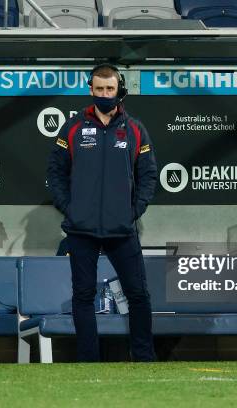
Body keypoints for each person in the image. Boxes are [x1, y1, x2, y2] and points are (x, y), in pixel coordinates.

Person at [47, 64, 158, 362]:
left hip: (122, 229)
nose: (105, 94)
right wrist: (70, 208)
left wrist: (133, 211)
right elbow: (55, 173)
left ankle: (145, 360)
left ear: (118, 89)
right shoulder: (72, 127)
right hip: (81, 230)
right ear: (91, 90)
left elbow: (149, 176)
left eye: (110, 89)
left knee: (138, 296)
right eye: (99, 89)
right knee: (83, 297)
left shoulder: (135, 128)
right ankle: (88, 363)